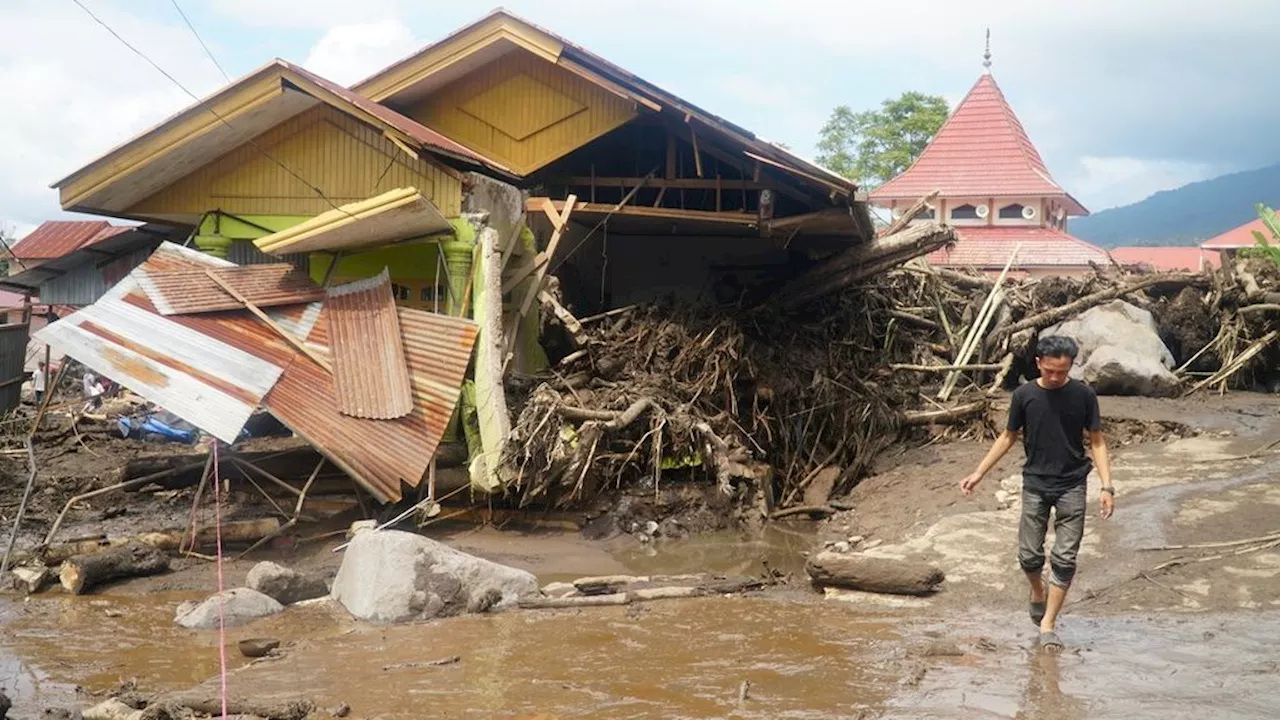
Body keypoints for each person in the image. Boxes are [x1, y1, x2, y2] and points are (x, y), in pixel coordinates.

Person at [958, 335, 1115, 650]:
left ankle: (1048, 625)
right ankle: (1038, 590)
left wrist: (1107, 486)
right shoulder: (1025, 395)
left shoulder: (1083, 394)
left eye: (1063, 371)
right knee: (1029, 556)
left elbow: (1096, 440)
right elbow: (1008, 436)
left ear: (1071, 366)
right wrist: (978, 473)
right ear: (1038, 363)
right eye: (1051, 371)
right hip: (1035, 483)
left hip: (1073, 482)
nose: (1056, 378)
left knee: (1065, 558)